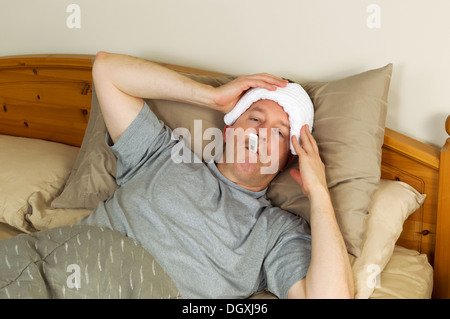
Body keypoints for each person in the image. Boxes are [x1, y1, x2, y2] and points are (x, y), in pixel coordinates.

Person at [78, 51, 354, 299]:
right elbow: (106, 70)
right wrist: (210, 96)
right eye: (255, 119)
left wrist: (319, 192)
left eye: (279, 132)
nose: (261, 133)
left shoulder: (276, 232)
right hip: (62, 266)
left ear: (287, 160)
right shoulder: (163, 155)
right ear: (229, 130)